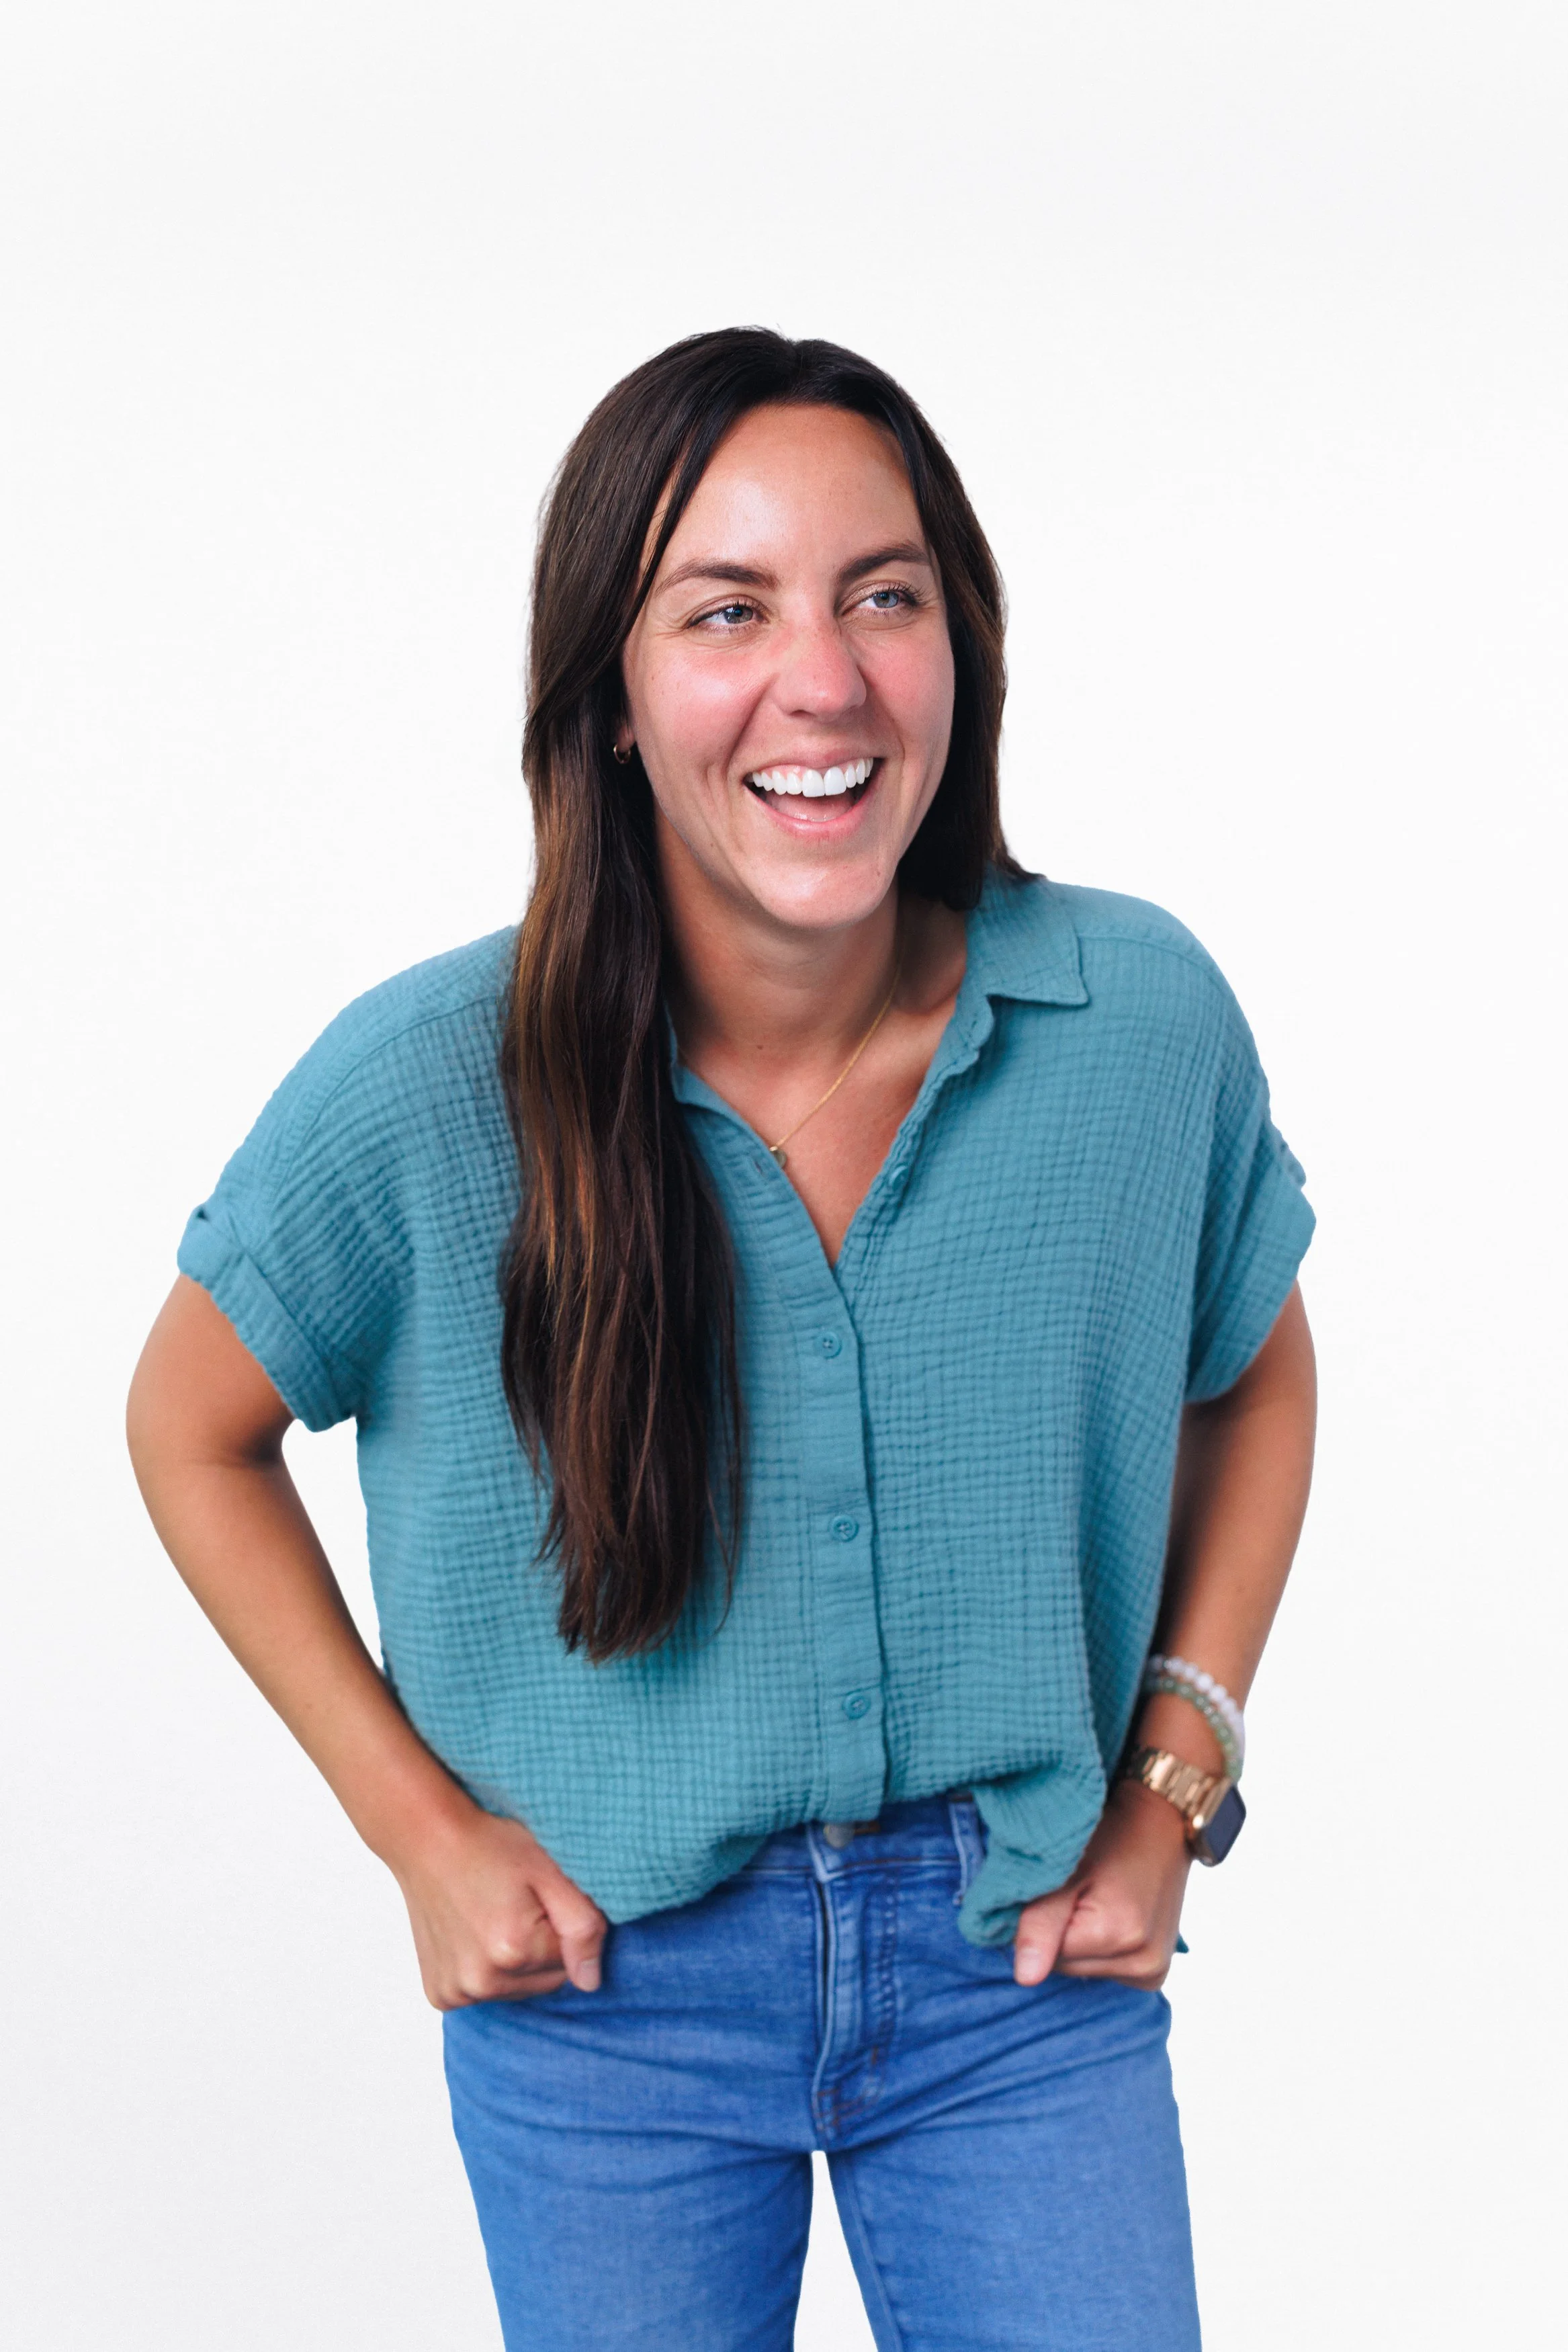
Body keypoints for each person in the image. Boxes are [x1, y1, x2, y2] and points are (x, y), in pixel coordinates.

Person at [127, 328, 1316, 2351]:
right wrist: (421, 1833)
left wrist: (1175, 1757)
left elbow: (1254, 1356)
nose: (825, 680)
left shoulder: (1138, 1023)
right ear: (607, 689)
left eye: (884, 595)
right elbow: (186, 1424)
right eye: (727, 610)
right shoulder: (429, 1083)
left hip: (1008, 1972)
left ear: (963, 646)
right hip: (609, 1998)